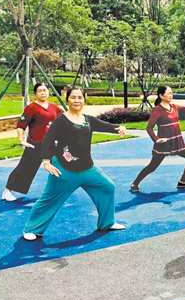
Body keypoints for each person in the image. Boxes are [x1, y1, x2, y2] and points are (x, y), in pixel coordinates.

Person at [22, 87, 127, 241]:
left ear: (84, 100)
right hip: (64, 170)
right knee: (49, 200)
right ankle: (32, 229)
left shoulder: (88, 120)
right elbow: (48, 140)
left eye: (80, 97)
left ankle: (107, 223)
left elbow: (105, 125)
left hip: (87, 169)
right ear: (67, 100)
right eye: (73, 97)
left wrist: (119, 128)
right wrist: (46, 161)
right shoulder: (61, 121)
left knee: (107, 186)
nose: (77, 100)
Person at [129, 86, 185, 192]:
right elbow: (149, 128)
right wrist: (156, 139)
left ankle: (182, 182)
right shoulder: (157, 110)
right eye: (169, 93)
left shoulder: (174, 107)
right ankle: (134, 184)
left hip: (178, 143)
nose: (171, 95)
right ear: (161, 96)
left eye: (172, 93)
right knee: (152, 167)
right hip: (164, 145)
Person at [2, 83, 64, 201]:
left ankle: (58, 190)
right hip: (35, 144)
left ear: (48, 92)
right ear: (35, 94)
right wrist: (22, 140)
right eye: (40, 91)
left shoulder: (54, 107)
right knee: (25, 169)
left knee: (60, 165)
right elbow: (21, 126)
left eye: (45, 90)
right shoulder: (31, 108)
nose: (43, 93)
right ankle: (7, 191)